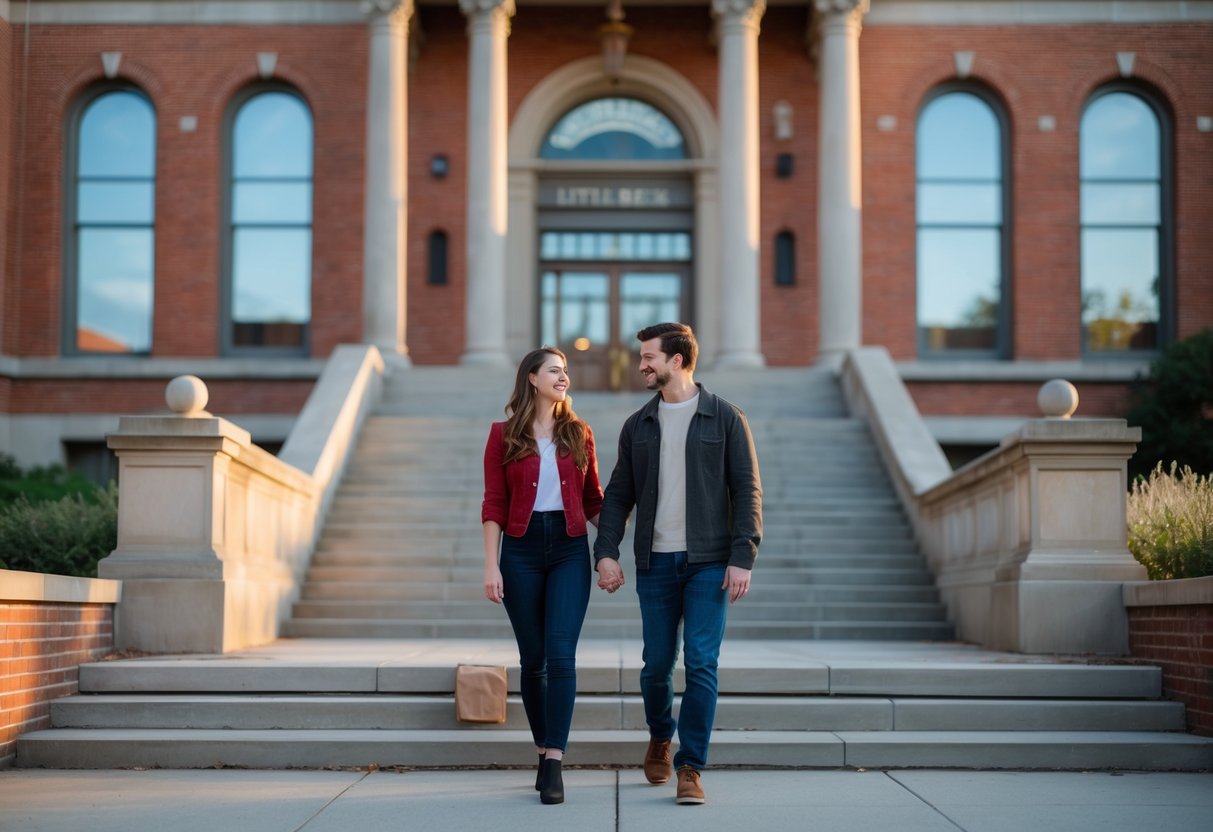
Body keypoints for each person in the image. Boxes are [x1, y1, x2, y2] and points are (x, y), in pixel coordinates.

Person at [593, 322, 762, 806]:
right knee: (656, 668)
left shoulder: (726, 417)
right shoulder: (638, 424)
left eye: (649, 357)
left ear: (678, 361)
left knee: (702, 664)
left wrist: (742, 556)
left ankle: (691, 766)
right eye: (642, 357)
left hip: (710, 562)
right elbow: (619, 493)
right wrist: (606, 551)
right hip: (656, 562)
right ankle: (660, 735)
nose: (641, 365)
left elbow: (748, 489)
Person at [481, 347, 604, 805]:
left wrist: (611, 543)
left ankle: (554, 759)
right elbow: (493, 503)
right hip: (520, 550)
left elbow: (594, 500)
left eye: (566, 371)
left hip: (570, 547)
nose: (564, 376)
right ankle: (541, 748)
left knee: (560, 654)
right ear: (532, 378)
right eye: (555, 369)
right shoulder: (502, 435)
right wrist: (491, 564)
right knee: (532, 659)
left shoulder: (579, 433)